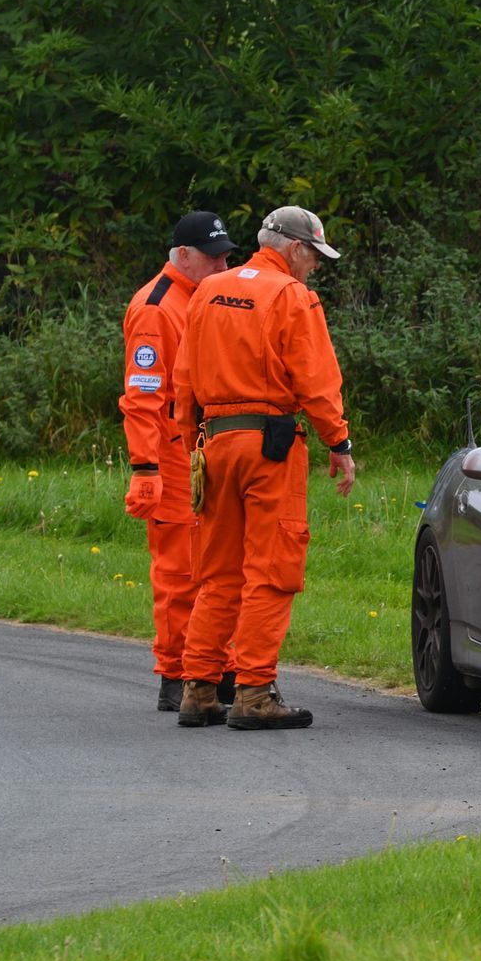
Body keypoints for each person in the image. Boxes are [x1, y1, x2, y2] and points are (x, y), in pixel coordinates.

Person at [174, 206, 357, 730]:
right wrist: (338, 442)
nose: (315, 267)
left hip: (215, 444)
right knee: (271, 572)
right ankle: (254, 692)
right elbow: (316, 379)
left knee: (218, 574)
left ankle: (199, 689)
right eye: (314, 256)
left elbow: (183, 378)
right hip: (270, 448)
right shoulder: (292, 296)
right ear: (295, 249)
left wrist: (194, 445)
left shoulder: (208, 290)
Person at [120, 211, 237, 711]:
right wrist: (145, 468)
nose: (222, 266)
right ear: (183, 255)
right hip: (170, 456)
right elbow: (142, 398)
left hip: (206, 449)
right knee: (179, 572)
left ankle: (214, 667)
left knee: (217, 565)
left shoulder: (207, 297)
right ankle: (177, 674)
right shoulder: (156, 308)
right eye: (214, 257)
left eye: (226, 257)